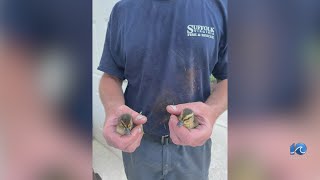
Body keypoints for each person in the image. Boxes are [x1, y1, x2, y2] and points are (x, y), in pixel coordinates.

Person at [98, 0, 228, 179]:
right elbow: (110, 76)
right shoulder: (123, 10)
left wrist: (212, 112)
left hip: (193, 147)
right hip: (139, 144)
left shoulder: (219, 7)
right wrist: (113, 108)